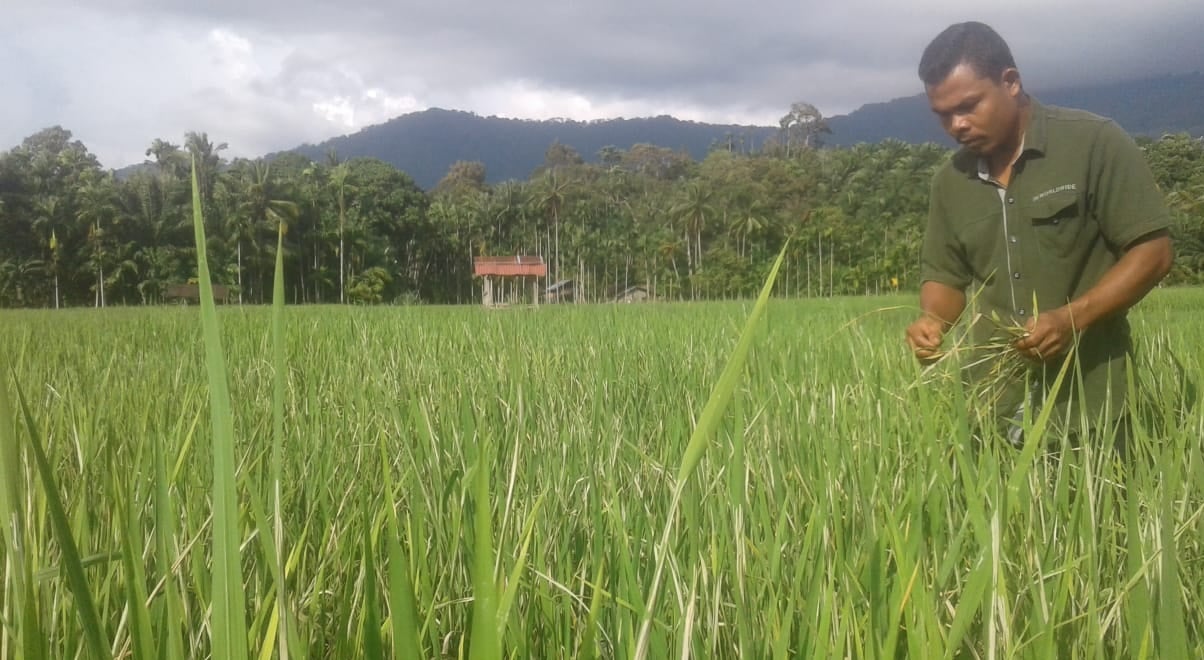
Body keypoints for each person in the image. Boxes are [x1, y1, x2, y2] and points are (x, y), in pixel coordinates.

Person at [904, 22, 1174, 447]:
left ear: (1010, 82)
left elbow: (1154, 252)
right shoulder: (949, 182)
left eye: (968, 106)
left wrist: (1072, 318)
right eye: (943, 115)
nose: (956, 125)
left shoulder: (1093, 143)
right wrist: (932, 322)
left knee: (1100, 514)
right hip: (990, 410)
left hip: (1091, 409)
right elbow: (946, 275)